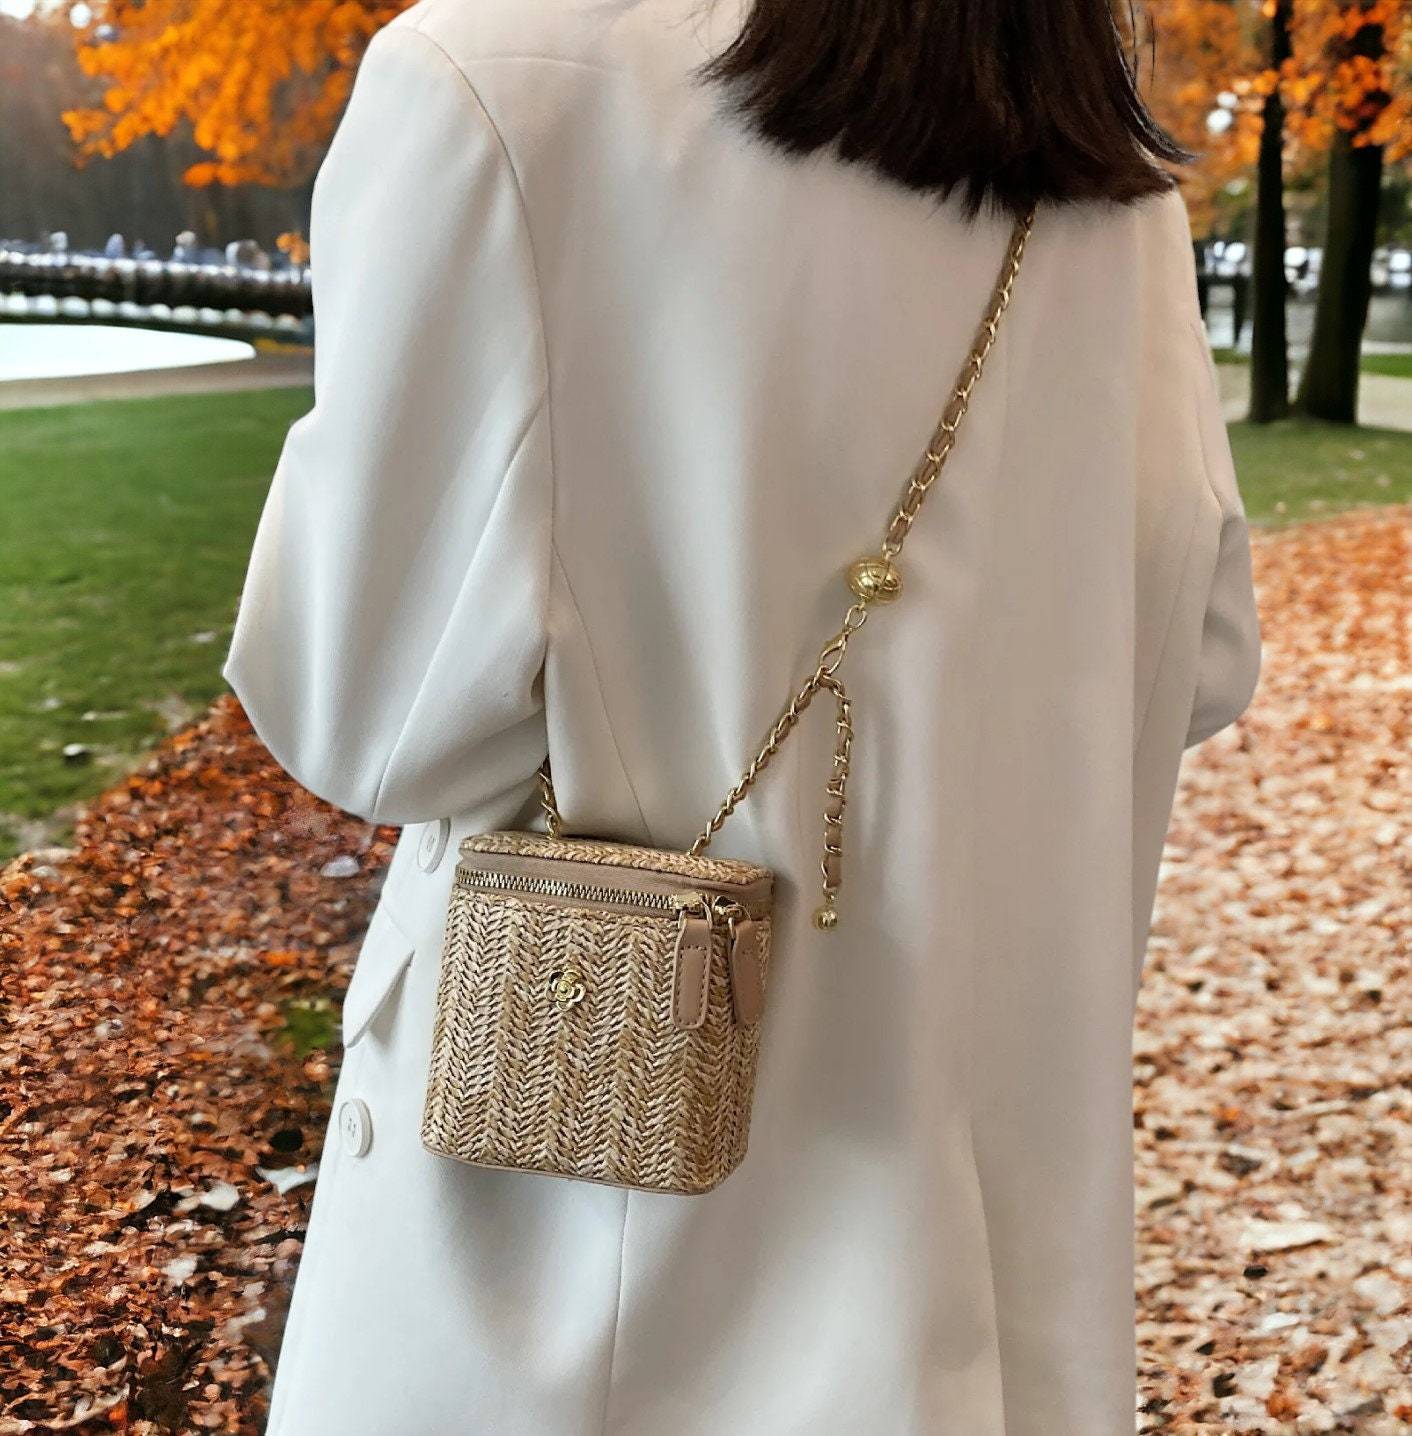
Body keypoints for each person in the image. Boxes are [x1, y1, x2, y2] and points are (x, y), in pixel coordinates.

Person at [222, 0, 1263, 1431]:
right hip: (993, 1258)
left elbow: (363, 716)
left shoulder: (490, 82)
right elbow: (1202, 654)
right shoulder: (1098, 170)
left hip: (577, 1250)